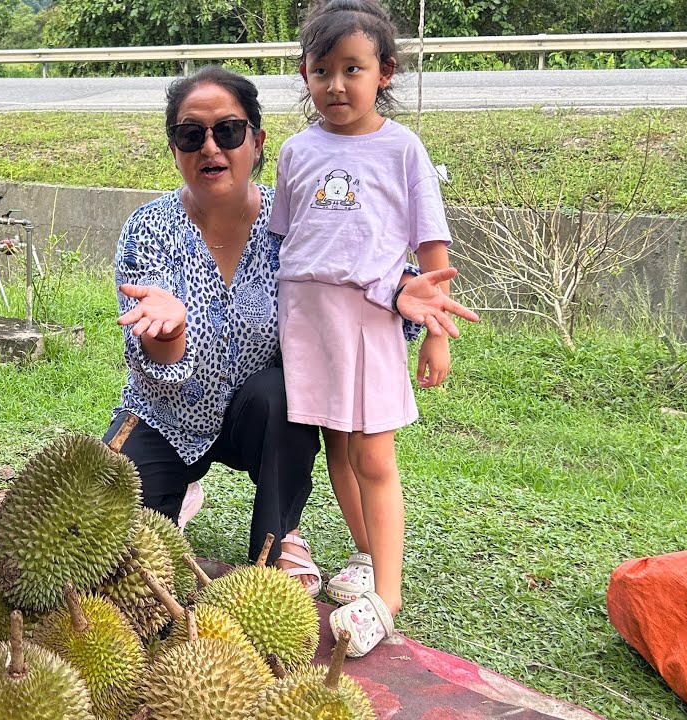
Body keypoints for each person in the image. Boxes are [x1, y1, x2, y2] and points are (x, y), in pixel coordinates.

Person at [104, 65, 476, 596]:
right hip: (168, 415)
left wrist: (395, 293)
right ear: (175, 148)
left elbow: (347, 271)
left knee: (285, 393)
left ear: (256, 142)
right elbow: (153, 366)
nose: (211, 148)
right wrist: (168, 333)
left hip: (262, 415)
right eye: (192, 135)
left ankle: (276, 541)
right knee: (119, 550)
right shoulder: (148, 229)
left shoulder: (297, 215)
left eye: (228, 132)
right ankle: (181, 489)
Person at [269, 0, 474, 656]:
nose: (335, 84)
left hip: (372, 320)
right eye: (321, 69)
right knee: (338, 448)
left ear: (383, 72)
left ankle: (388, 595)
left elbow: (431, 248)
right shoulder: (295, 151)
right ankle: (364, 551)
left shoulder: (403, 149)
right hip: (308, 324)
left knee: (375, 457)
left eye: (351, 69)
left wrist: (438, 333)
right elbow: (285, 243)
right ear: (304, 73)